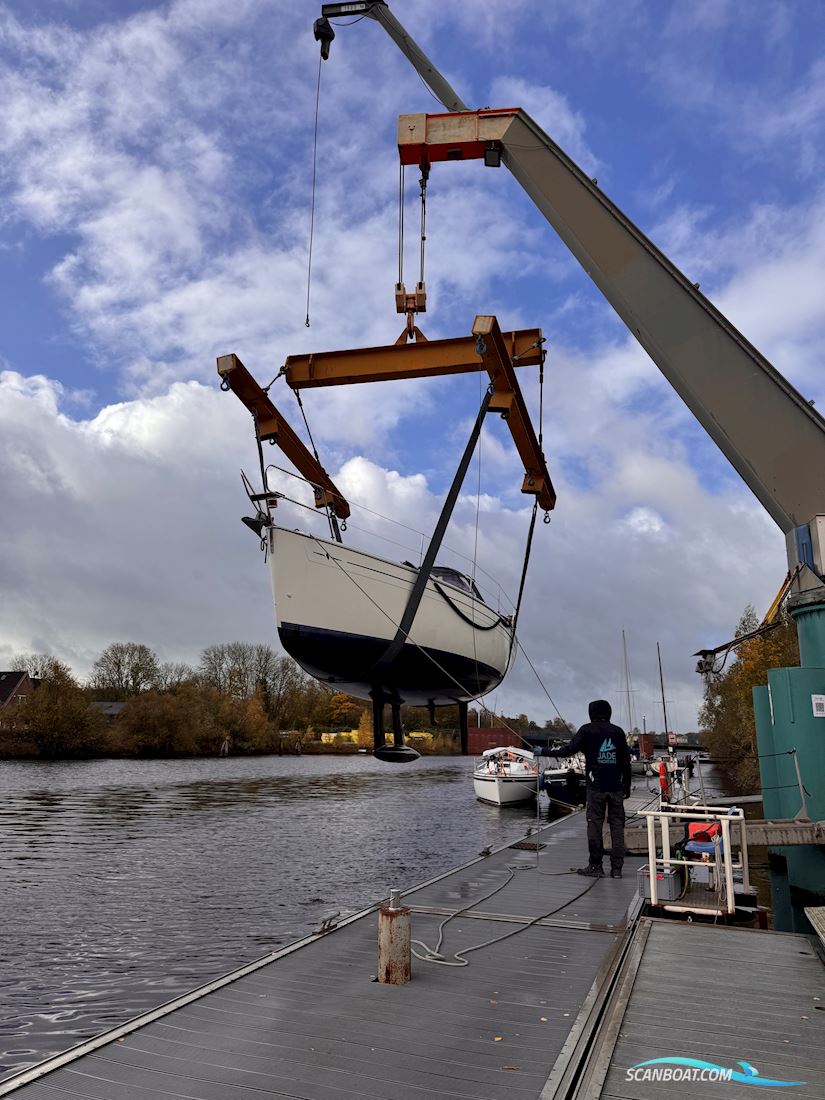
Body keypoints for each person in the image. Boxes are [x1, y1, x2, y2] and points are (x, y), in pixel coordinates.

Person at [556, 699, 631, 878]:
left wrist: (542, 752)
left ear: (591, 713)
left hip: (596, 788)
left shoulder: (586, 730)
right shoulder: (618, 732)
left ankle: (596, 866)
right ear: (609, 712)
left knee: (594, 825)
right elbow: (626, 762)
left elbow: (568, 750)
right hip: (616, 787)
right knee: (617, 827)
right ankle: (617, 869)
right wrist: (626, 786)